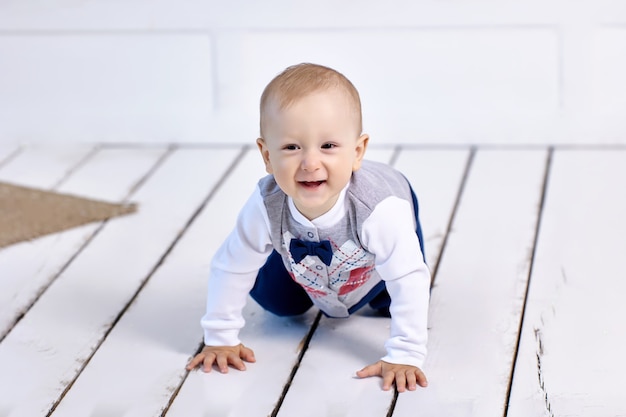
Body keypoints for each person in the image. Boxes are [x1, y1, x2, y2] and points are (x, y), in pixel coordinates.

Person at [186, 63, 430, 392]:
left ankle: (378, 292)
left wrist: (406, 354)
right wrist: (220, 337)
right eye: (291, 147)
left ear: (357, 152)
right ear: (267, 155)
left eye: (328, 146)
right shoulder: (265, 204)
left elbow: (408, 276)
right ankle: (291, 276)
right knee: (280, 306)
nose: (310, 163)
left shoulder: (381, 211)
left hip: (371, 258)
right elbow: (231, 265)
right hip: (303, 258)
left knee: (397, 294)